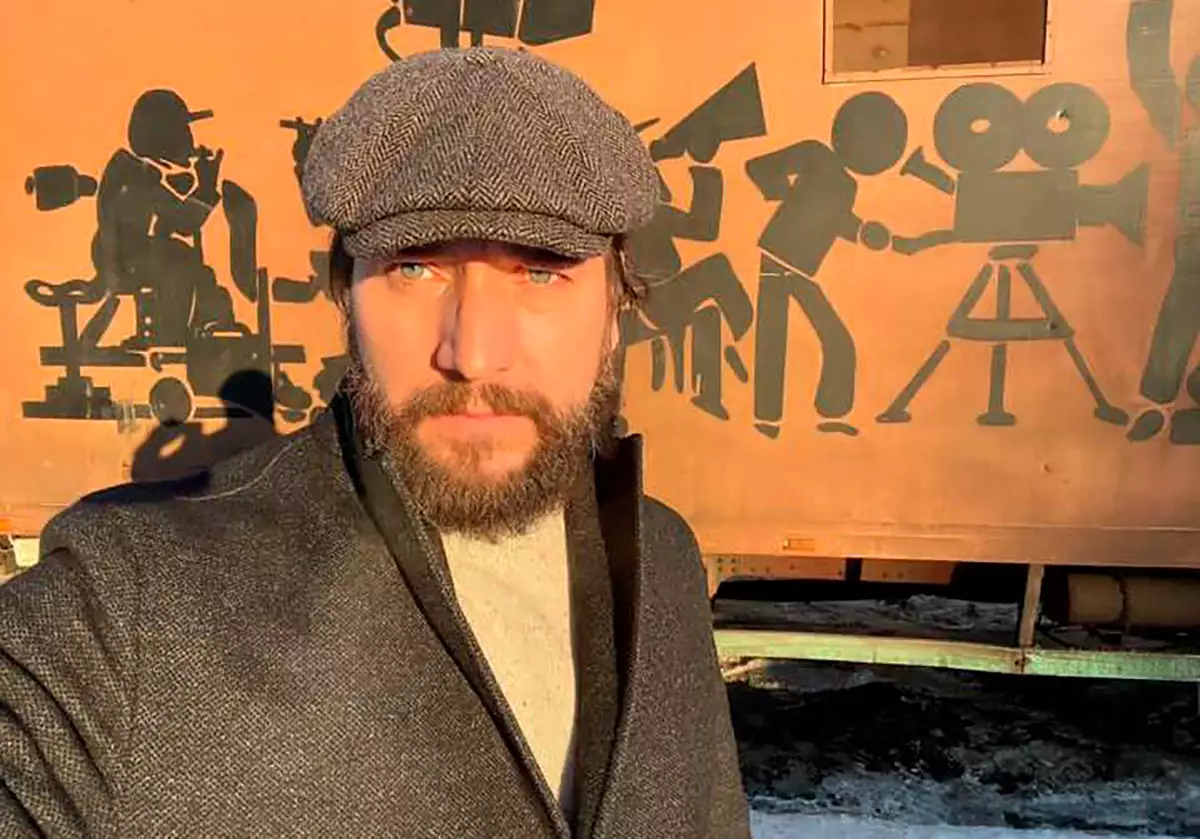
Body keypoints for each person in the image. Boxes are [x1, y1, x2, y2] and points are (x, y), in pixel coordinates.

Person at [0, 47, 751, 838]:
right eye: (415, 269)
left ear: (615, 310)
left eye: (540, 274)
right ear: (345, 298)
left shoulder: (663, 562)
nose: (472, 353)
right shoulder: (127, 603)